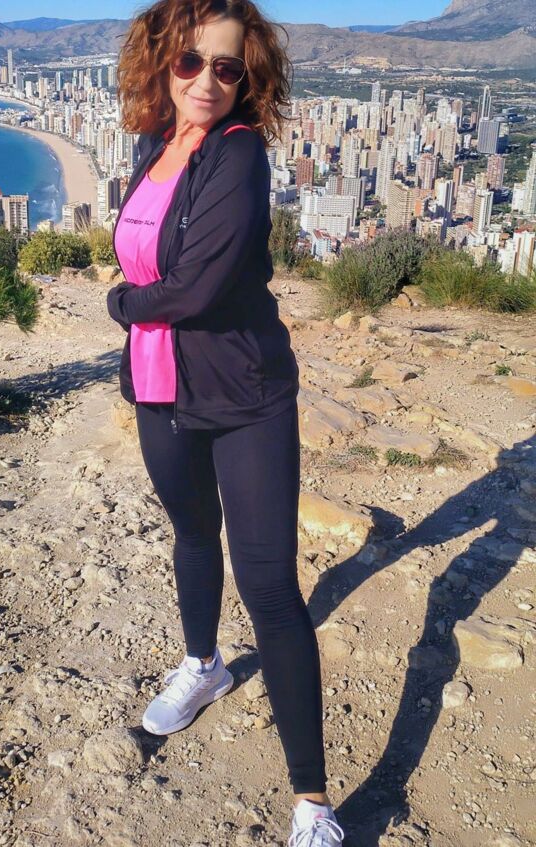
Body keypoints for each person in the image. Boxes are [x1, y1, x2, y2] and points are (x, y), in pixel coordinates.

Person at [107, 1, 344, 844]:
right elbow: (148, 250)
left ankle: (312, 801)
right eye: (190, 62)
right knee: (191, 533)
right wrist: (141, 309)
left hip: (246, 394)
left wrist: (123, 305)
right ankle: (203, 665)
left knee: (270, 585)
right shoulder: (153, 143)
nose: (206, 80)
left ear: (248, 78)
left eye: (227, 67)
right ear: (163, 62)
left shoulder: (240, 153)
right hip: (160, 387)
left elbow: (196, 287)